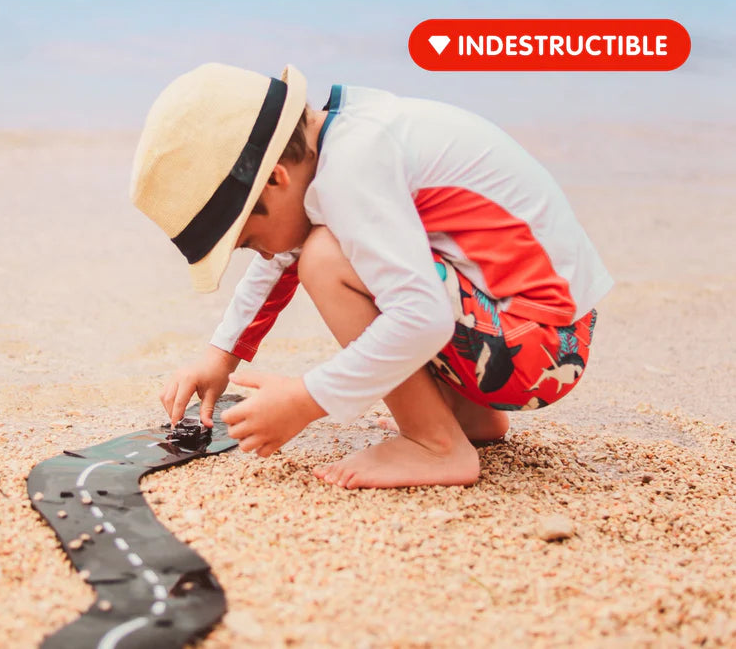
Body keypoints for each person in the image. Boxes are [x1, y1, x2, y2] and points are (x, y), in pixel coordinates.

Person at [130, 63, 612, 489]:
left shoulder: (351, 170)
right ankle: (470, 417)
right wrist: (220, 357)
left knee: (323, 258)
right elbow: (281, 260)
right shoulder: (342, 141)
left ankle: (435, 444)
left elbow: (421, 317)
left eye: (251, 240)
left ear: (276, 177)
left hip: (537, 348)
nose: (265, 253)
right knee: (338, 251)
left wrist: (306, 398)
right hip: (538, 336)